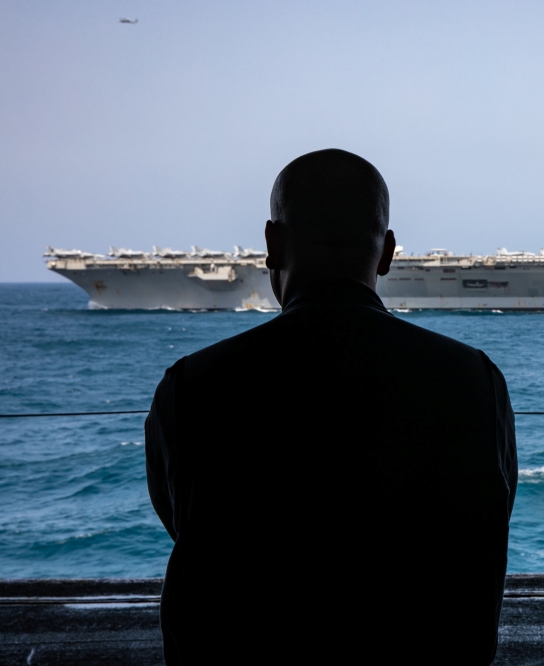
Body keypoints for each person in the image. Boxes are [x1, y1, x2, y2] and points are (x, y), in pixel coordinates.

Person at [145, 149, 517, 664]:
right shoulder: (474, 380)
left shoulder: (190, 386)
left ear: (272, 244)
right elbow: (487, 526)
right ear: (387, 252)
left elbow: (183, 521)